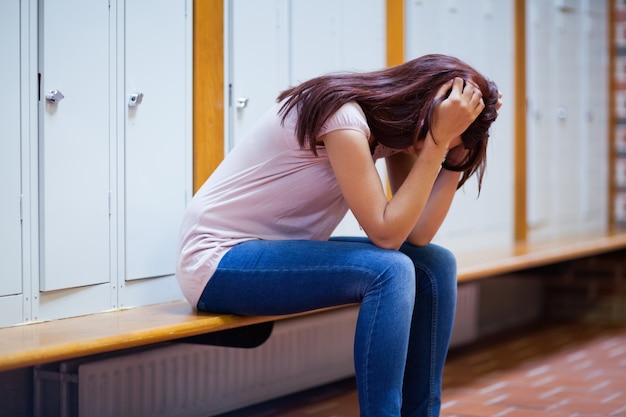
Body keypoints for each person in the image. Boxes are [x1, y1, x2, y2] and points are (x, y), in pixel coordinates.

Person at [176, 54, 502, 417]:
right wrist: (437, 144)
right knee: (390, 269)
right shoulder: (343, 117)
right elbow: (387, 236)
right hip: (218, 260)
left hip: (273, 255)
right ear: (424, 106)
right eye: (436, 132)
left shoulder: (393, 134)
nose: (432, 147)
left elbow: (420, 233)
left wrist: (466, 140)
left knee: (436, 263)